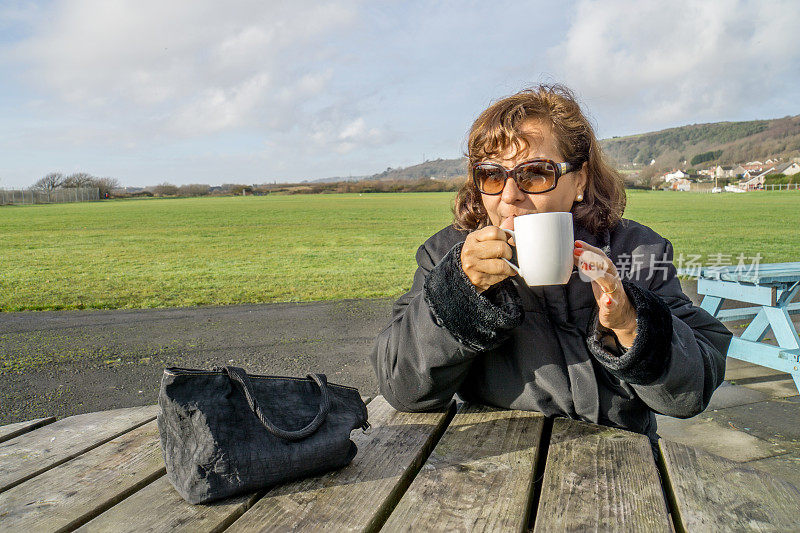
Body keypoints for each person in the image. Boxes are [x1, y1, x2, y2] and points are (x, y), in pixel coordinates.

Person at [371, 84, 731, 442]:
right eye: (492, 175)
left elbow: (692, 393)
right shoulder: (447, 256)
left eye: (535, 173)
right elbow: (403, 388)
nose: (510, 195)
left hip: (623, 464)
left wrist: (630, 325)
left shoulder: (638, 251)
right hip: (497, 461)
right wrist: (459, 295)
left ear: (580, 179)